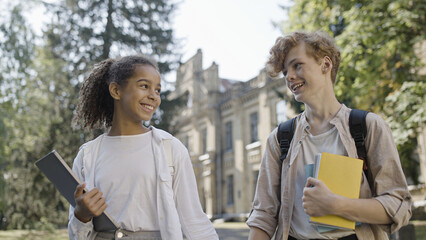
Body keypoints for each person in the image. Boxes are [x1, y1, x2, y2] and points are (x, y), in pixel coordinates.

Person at [246, 31, 412, 240]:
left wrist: (334, 204)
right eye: (285, 71)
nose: (288, 76)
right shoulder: (280, 139)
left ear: (325, 65)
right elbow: (263, 215)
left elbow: (399, 205)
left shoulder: (368, 127)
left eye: (297, 65)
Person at [68, 55, 219, 240]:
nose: (153, 96)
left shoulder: (170, 149)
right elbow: (76, 236)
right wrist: (81, 216)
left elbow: (195, 222)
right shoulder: (87, 155)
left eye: (158, 90)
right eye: (144, 86)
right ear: (116, 90)